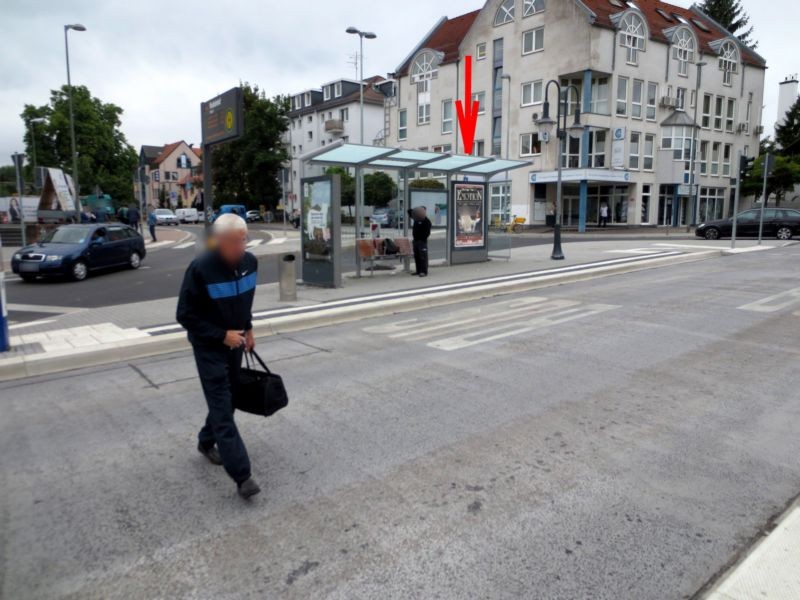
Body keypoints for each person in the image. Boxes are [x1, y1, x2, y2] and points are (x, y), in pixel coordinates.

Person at [176, 214, 260, 499]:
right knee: (223, 409)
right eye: (236, 241)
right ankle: (243, 476)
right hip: (209, 348)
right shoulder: (201, 269)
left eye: (244, 239)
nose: (242, 246)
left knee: (230, 398)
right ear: (219, 242)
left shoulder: (250, 264)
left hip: (235, 344)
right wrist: (221, 335)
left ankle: (205, 440)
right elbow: (184, 315)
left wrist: (248, 329)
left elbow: (243, 302)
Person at [408, 206, 432, 277]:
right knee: (417, 256)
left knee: (423, 257)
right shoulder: (417, 220)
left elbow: (427, 232)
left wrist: (422, 238)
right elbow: (409, 212)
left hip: (422, 241)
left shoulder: (426, 221)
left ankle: (424, 271)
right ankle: (418, 270)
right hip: (415, 241)